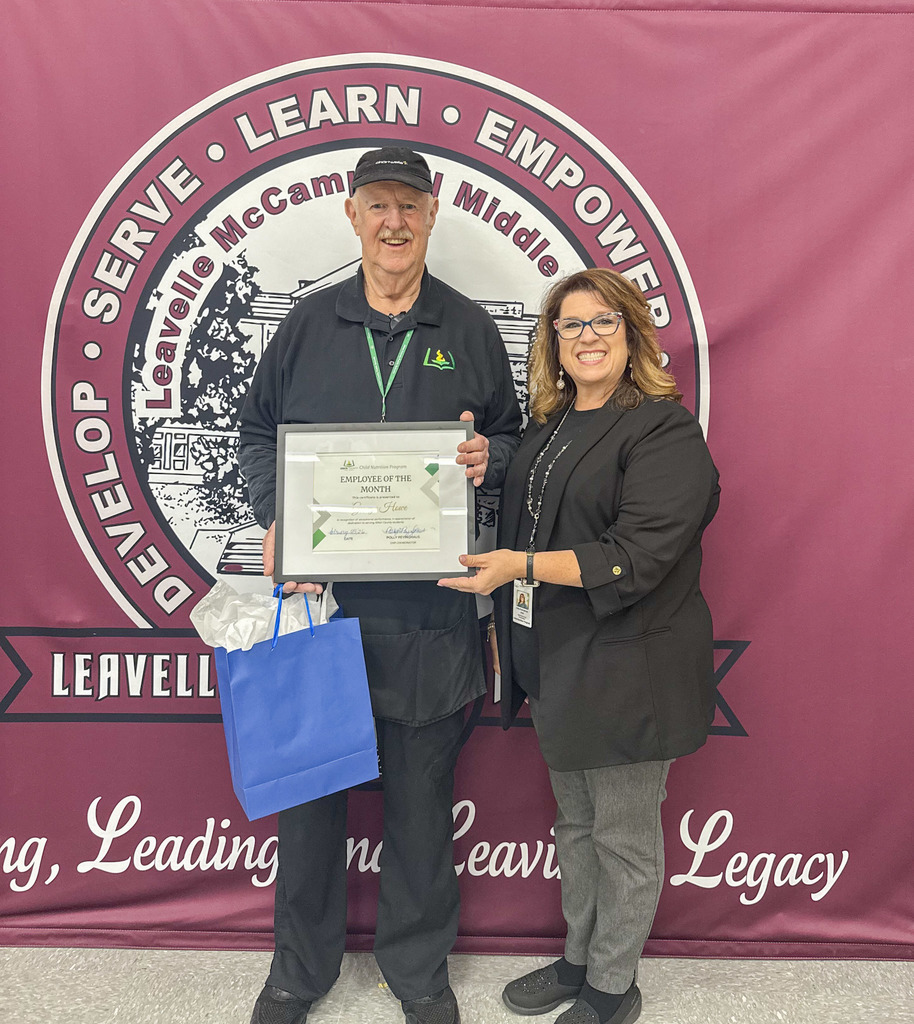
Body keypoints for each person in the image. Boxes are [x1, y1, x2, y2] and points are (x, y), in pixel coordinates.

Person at [238, 146, 522, 1024]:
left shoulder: (470, 329)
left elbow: (512, 441)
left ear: (432, 216)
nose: (394, 221)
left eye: (409, 205)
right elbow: (255, 436)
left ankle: (418, 972)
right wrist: (273, 510)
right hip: (321, 614)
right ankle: (299, 972)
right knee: (310, 803)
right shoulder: (307, 324)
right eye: (377, 205)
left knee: (422, 810)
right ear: (351, 215)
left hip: (431, 613)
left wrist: (489, 456)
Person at [439, 268, 719, 1024]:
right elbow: (541, 493)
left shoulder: (664, 429)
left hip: (631, 664)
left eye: (603, 323)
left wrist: (516, 569)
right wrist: (487, 462)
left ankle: (612, 985)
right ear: (553, 344)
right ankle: (578, 958)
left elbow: (634, 553)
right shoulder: (554, 424)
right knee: (576, 824)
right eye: (571, 326)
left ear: (631, 335)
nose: (587, 337)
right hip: (561, 657)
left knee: (623, 834)